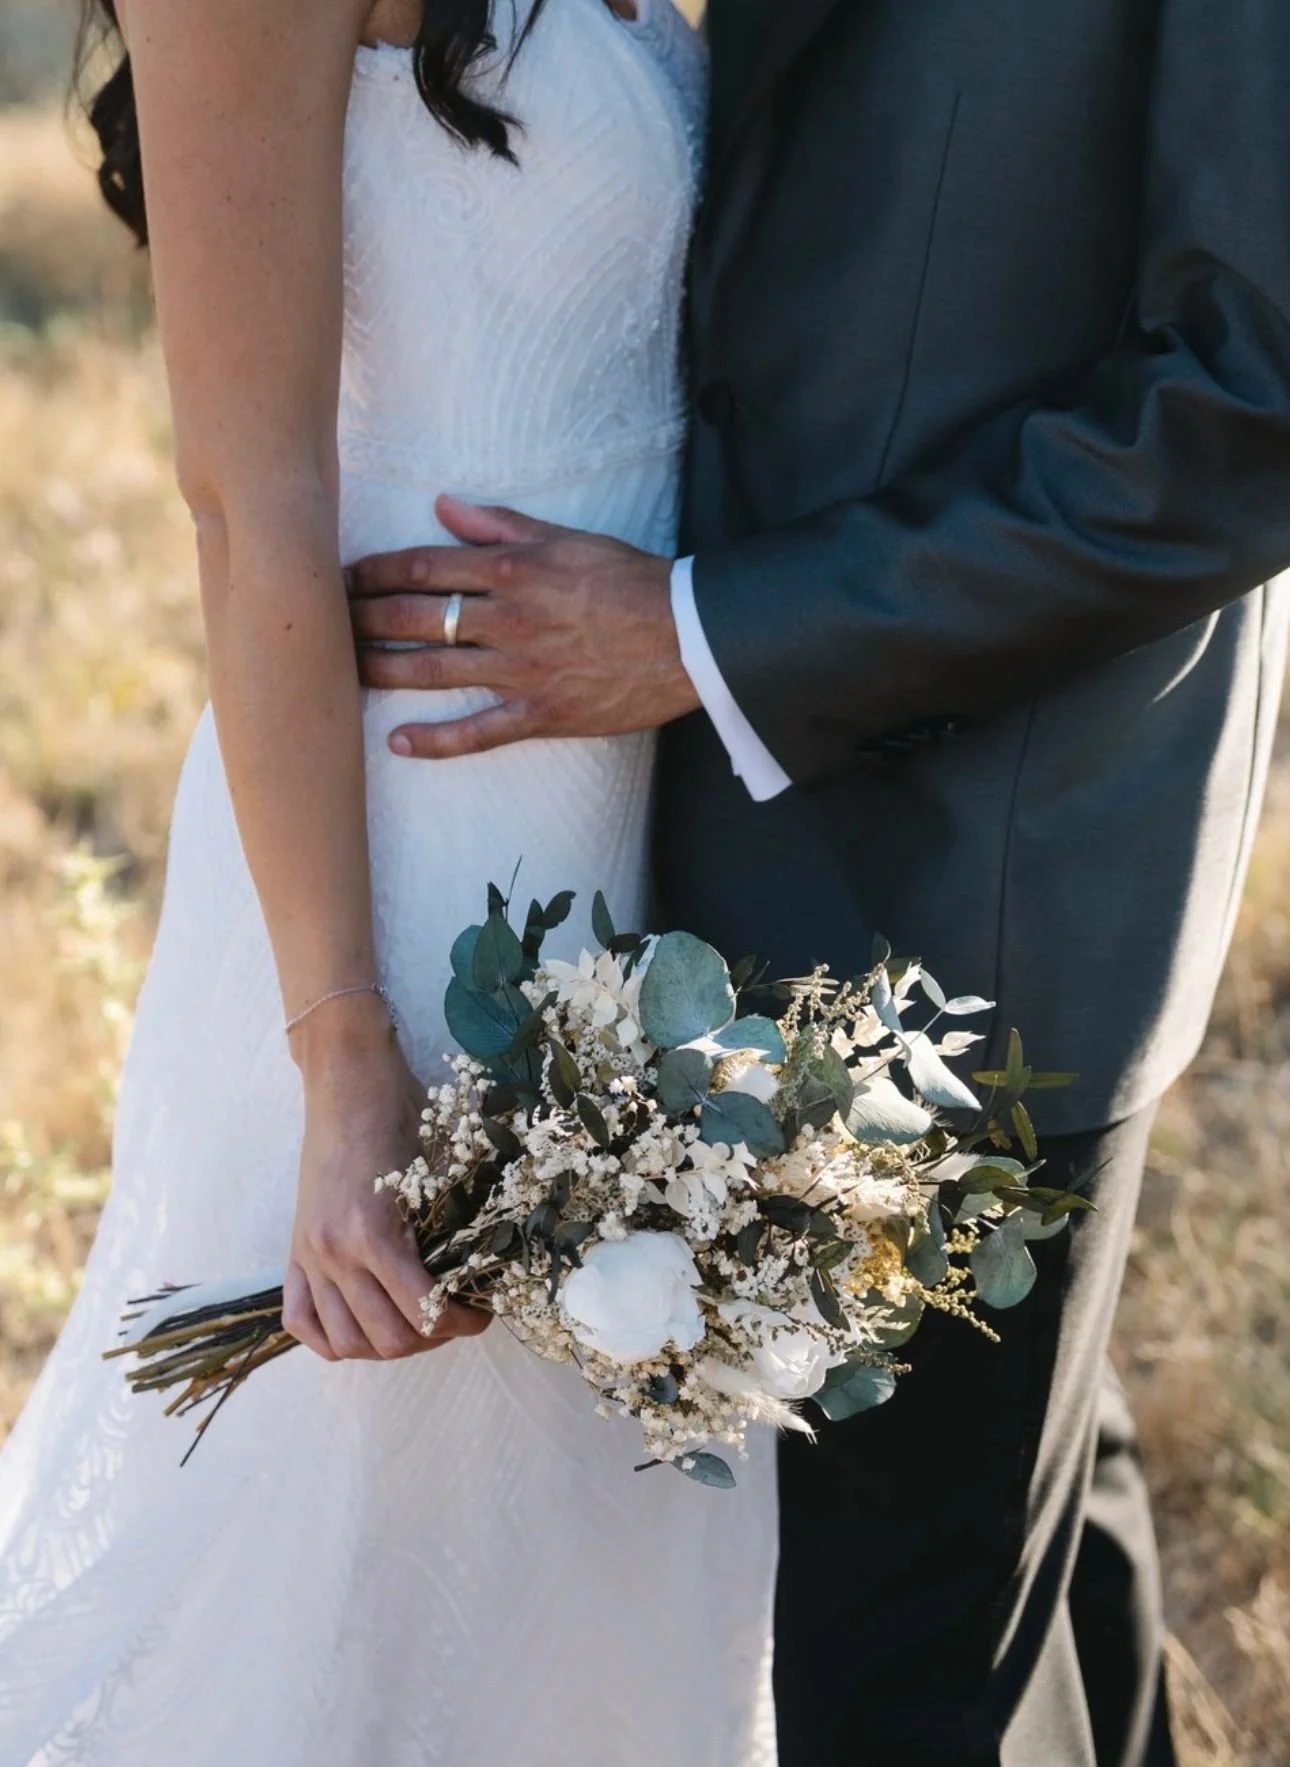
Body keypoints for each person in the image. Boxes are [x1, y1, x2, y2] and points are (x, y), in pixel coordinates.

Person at [342, 2, 1290, 1763]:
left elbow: (1251, 395)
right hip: (641, 827)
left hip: (972, 847)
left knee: (894, 1668)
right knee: (1025, 1561)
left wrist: (709, 637)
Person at [0, 2, 782, 1762]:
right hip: (422, 853)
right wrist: (344, 1055)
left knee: (599, 1563)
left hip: (648, 834)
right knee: (347, 1566)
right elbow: (246, 498)